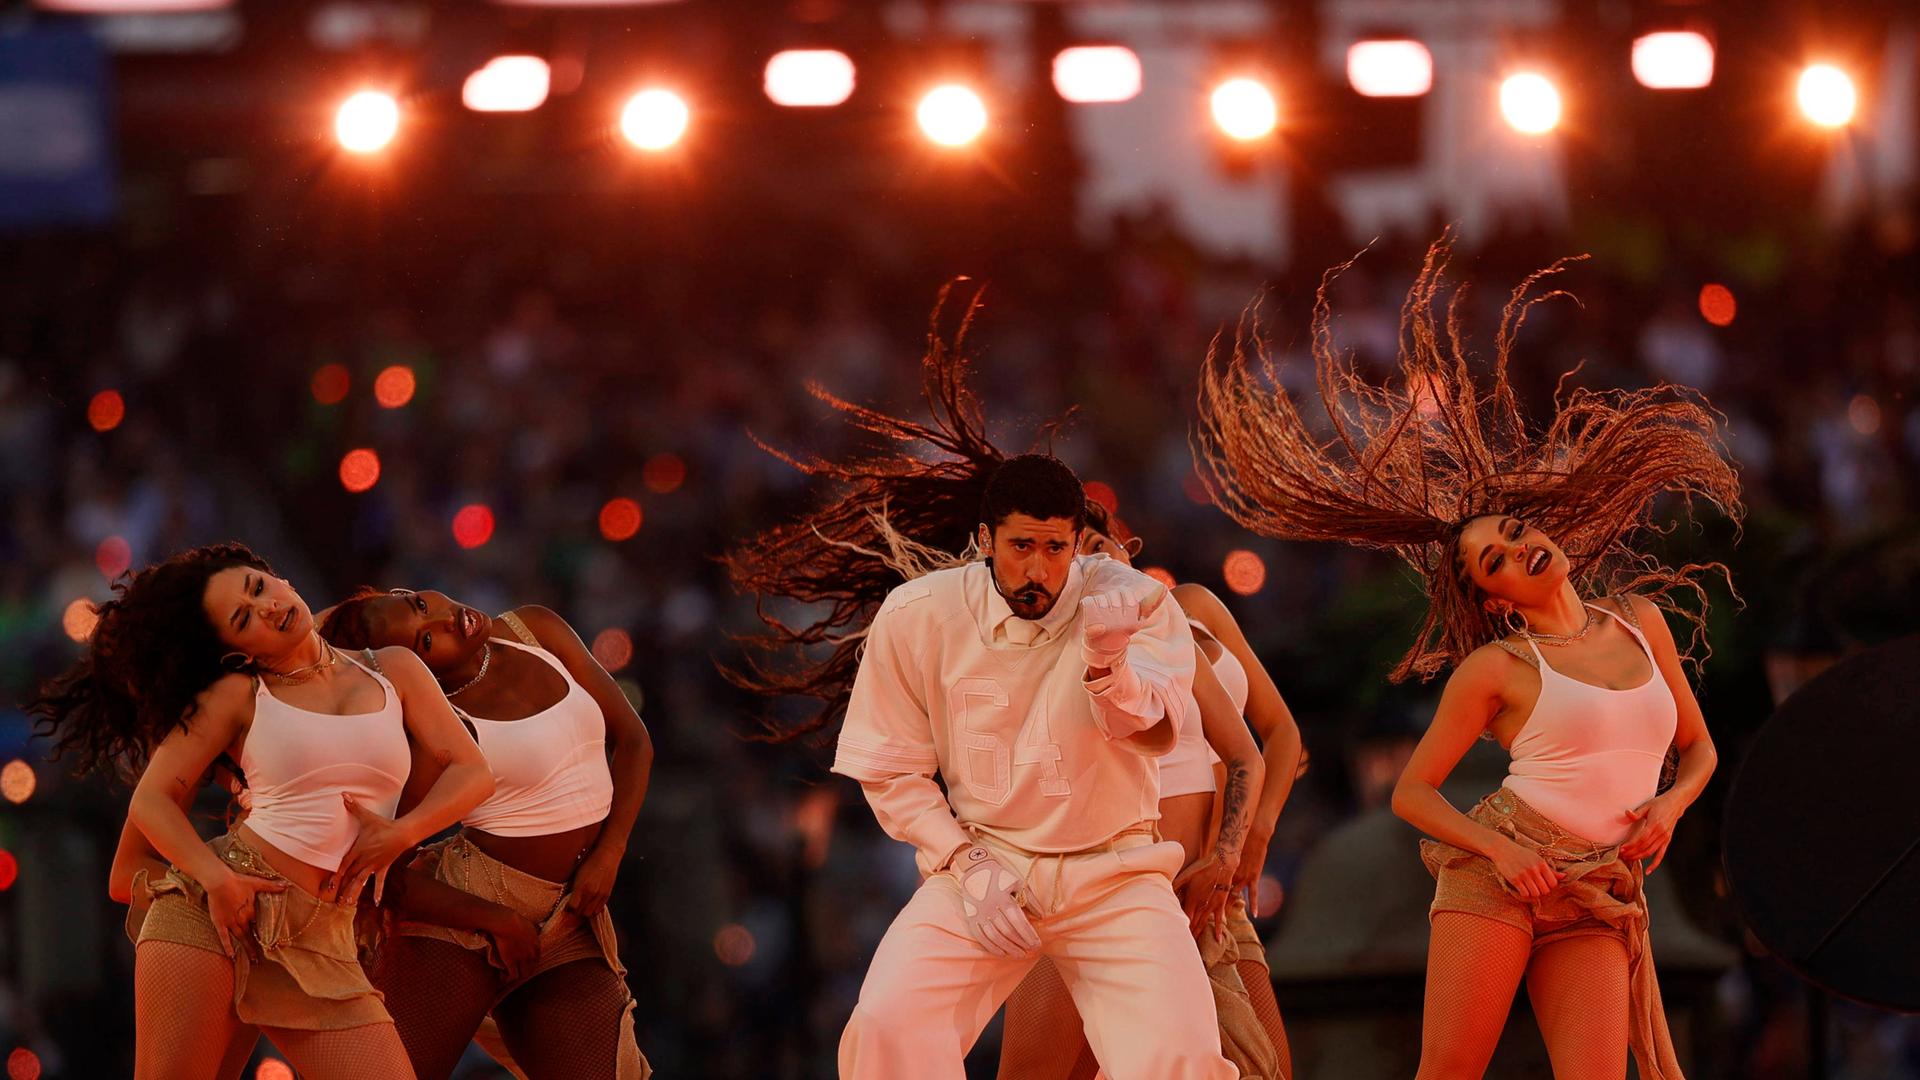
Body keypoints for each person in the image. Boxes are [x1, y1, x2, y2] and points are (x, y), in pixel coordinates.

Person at [1193, 238, 1741, 1079]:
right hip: (1506, 873)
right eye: (1496, 561)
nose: (1521, 551)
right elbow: (1412, 792)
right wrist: (1504, 854)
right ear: (1490, 598)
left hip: (1597, 887)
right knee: (1449, 1071)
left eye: (1519, 534)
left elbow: (1700, 749)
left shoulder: (1640, 622)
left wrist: (1669, 808)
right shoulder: (1498, 671)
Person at [727, 297, 1233, 1079]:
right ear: (985, 540)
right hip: (988, 868)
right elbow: (890, 768)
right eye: (1022, 546)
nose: (1039, 568)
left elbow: (1160, 732)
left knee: (1185, 1058)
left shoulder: (1135, 598)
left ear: (1077, 541)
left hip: (1120, 873)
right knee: (886, 1028)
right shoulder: (919, 613)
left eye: (1056, 549)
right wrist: (963, 863)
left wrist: (1111, 665)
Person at [30, 543, 495, 1079]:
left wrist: (402, 833)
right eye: (243, 618)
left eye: (258, 588)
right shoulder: (239, 694)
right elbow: (151, 801)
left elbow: (472, 770)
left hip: (328, 945)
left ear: (277, 577)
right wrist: (214, 880)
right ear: (235, 649)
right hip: (218, 918)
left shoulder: (395, 670)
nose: (268, 608)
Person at [997, 498, 1304, 1080]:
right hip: (1101, 890)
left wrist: (1249, 839)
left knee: (1267, 1069)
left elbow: (1278, 734)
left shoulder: (1192, 607)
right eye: (1066, 557)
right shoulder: (1056, 647)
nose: (1085, 566)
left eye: (1093, 547)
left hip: (1211, 889)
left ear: (1123, 546)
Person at [317, 588, 653, 1079]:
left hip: (566, 919)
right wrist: (497, 921)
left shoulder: (533, 628)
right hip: (469, 919)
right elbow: (380, 875)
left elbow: (635, 740)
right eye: (427, 642)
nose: (446, 620)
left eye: (418, 605)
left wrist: (611, 851)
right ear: (414, 674)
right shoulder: (441, 733)